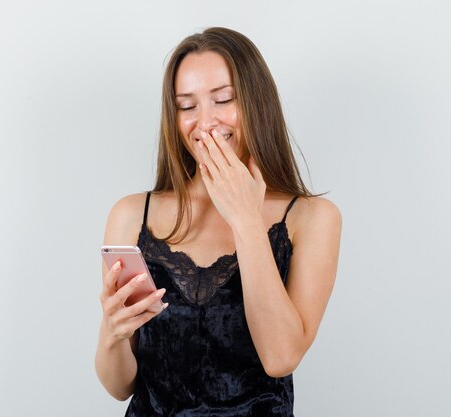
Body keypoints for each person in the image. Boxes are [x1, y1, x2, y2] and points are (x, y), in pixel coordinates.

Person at [95, 27, 342, 417]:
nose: (205, 122)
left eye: (223, 99)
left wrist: (245, 218)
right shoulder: (130, 214)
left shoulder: (312, 218)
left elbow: (280, 357)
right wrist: (113, 332)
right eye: (186, 106)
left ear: (256, 103)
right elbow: (118, 386)